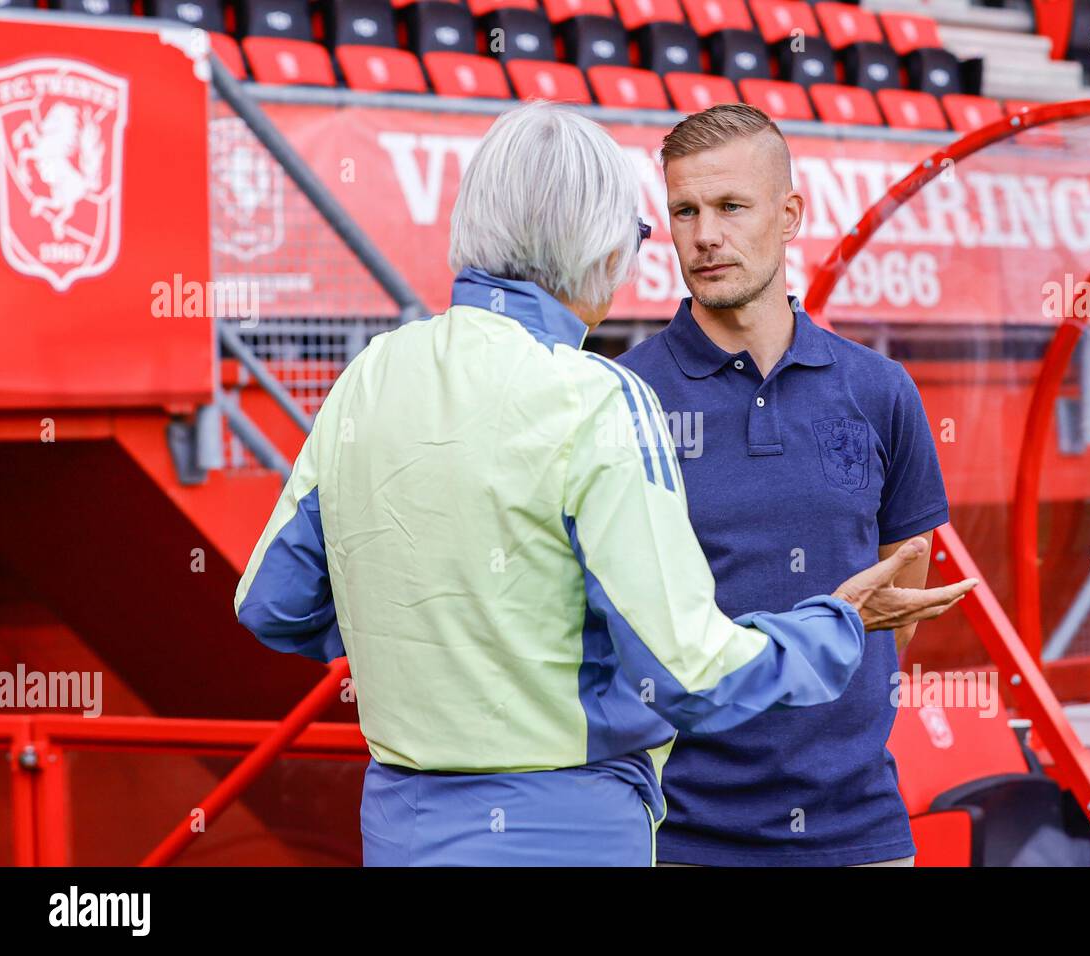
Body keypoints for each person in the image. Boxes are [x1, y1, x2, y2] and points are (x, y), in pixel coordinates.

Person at [232, 102, 975, 867]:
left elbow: (272, 605)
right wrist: (837, 626)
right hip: (581, 826)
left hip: (399, 822)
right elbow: (688, 674)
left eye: (726, 207)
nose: (693, 238)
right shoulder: (599, 395)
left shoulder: (370, 374)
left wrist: (429, 638)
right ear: (598, 243)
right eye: (663, 221)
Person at [619, 104, 968, 866]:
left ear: (789, 215)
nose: (705, 234)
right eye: (684, 210)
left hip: (859, 831)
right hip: (679, 838)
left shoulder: (881, 390)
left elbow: (895, 603)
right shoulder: (621, 396)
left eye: (731, 207)